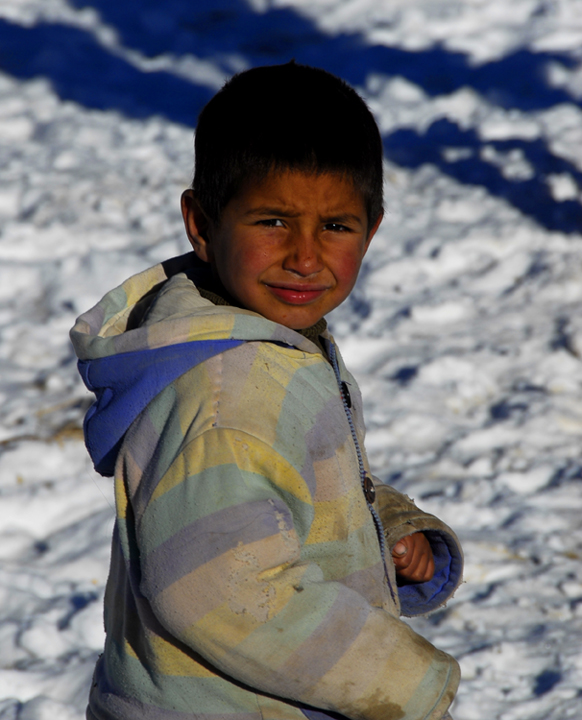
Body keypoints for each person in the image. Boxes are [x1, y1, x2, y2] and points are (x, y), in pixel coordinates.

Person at [71, 61, 463, 720]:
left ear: (373, 227)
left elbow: (271, 490)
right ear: (201, 222)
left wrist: (385, 528)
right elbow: (221, 588)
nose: (306, 257)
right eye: (273, 222)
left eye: (336, 226)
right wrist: (400, 677)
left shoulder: (264, 343)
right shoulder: (228, 392)